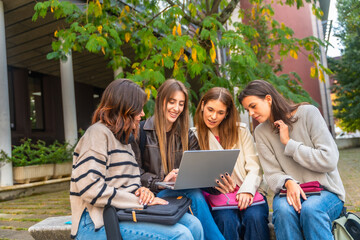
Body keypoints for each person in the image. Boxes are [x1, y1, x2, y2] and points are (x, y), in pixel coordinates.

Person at [70, 79, 204, 240]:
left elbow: (125, 183)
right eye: (138, 109)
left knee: (193, 225)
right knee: (181, 235)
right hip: (97, 221)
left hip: (124, 212)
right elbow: (90, 188)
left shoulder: (124, 140)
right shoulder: (97, 133)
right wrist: (136, 200)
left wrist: (142, 191)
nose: (142, 114)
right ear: (126, 108)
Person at [238, 80, 345, 240]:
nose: (251, 113)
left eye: (253, 106)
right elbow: (271, 174)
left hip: (326, 191)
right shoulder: (260, 132)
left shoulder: (309, 113)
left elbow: (328, 159)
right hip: (287, 192)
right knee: (282, 212)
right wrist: (288, 182)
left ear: (268, 99)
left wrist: (289, 144)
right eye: (248, 110)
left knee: (311, 209)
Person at [131, 79, 225, 240]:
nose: (176, 108)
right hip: (151, 197)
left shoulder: (187, 136)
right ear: (161, 100)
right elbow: (134, 172)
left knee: (194, 193)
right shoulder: (141, 132)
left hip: (179, 195)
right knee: (194, 194)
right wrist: (162, 181)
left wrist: (218, 182)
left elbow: (200, 173)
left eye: (181, 104)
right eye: (172, 102)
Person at [192, 87, 270, 240]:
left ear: (227, 113)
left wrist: (247, 191)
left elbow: (254, 167)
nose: (213, 116)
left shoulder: (241, 131)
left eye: (220, 112)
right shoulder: (193, 135)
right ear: (202, 106)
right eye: (210, 109)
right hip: (217, 196)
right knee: (225, 219)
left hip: (247, 191)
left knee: (255, 217)